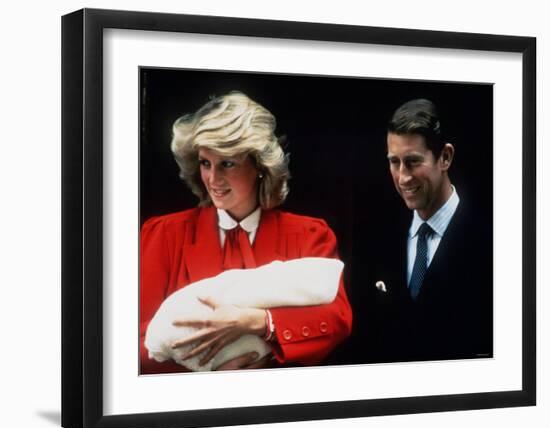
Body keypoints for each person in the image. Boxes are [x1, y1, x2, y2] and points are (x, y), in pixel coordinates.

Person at [140, 91, 352, 374]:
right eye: (205, 163)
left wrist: (260, 323)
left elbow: (338, 319)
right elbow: (131, 339)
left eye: (227, 163)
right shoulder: (162, 234)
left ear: (260, 166)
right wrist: (209, 374)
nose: (213, 179)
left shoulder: (309, 235)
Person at [356, 98, 493, 363]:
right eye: (394, 162)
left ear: (445, 157)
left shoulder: (493, 240)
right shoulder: (378, 235)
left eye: (413, 161)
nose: (403, 177)